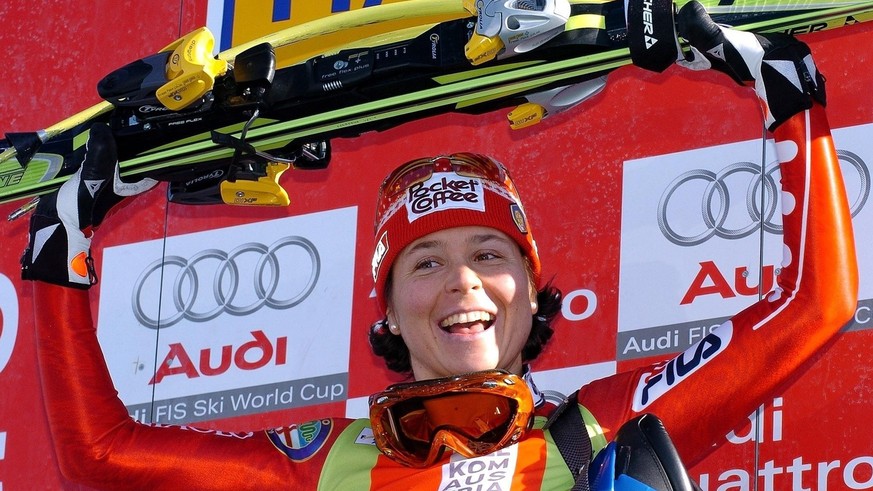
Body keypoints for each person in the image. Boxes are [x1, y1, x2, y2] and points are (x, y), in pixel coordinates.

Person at [20, 4, 858, 490]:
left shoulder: (594, 427)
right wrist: (61, 257)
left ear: (532, 290)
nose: (462, 281)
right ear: (384, 307)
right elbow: (103, 456)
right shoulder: (329, 462)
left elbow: (812, 306)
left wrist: (782, 88)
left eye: (490, 254)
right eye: (425, 262)